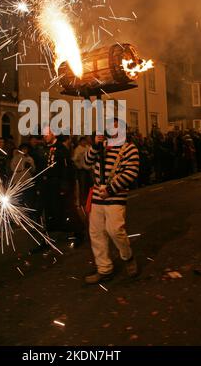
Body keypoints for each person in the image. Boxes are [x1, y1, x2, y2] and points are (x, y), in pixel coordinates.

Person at [84, 118, 139, 284]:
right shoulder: (102, 145)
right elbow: (87, 163)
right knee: (97, 234)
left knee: (115, 230)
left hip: (115, 197)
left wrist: (109, 190)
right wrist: (94, 146)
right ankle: (104, 269)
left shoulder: (130, 148)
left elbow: (131, 173)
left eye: (116, 127)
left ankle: (127, 256)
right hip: (96, 199)